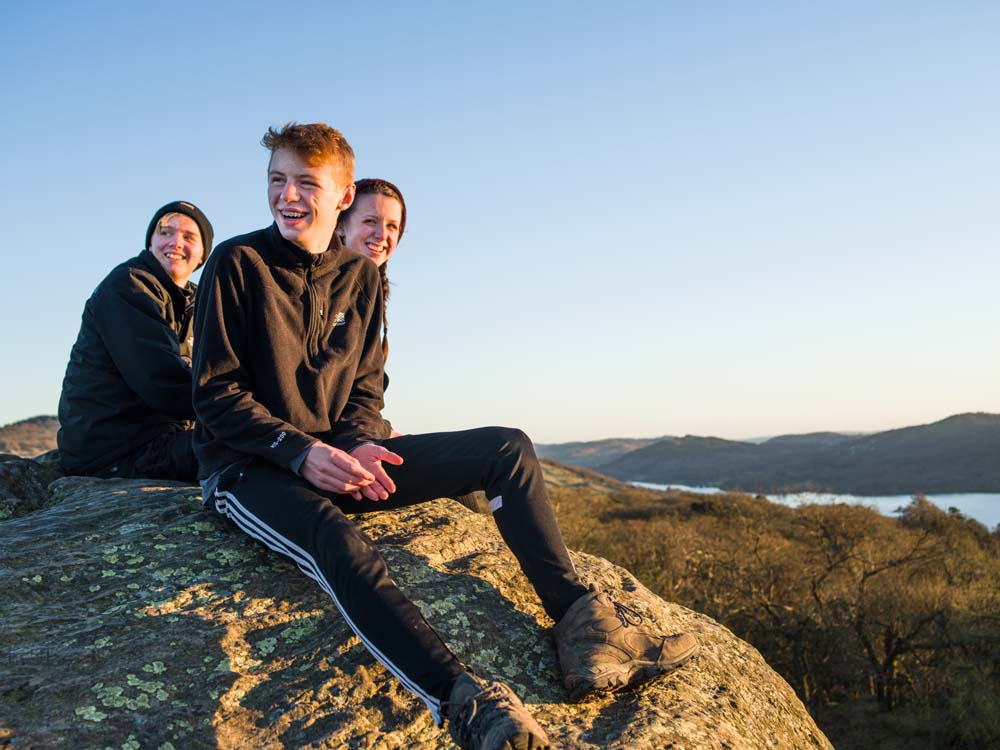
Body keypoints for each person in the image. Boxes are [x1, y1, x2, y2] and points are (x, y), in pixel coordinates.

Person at [192, 123, 698, 750]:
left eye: (305, 183)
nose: (287, 196)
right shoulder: (236, 263)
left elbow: (364, 391)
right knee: (337, 538)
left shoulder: (362, 277)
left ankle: (585, 625)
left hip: (336, 459)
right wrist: (299, 452)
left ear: (343, 195)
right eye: (277, 180)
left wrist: (356, 442)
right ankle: (468, 706)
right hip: (249, 467)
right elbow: (215, 394)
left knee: (505, 447)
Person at [337, 179, 491, 515]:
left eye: (392, 226)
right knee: (474, 463)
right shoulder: (327, 291)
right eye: (370, 221)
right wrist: (374, 434)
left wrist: (382, 430)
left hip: (362, 429)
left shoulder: (369, 291)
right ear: (340, 225)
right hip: (337, 442)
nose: (382, 234)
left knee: (464, 481)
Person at [57, 201, 214, 481]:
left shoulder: (198, 301)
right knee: (247, 445)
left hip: (160, 439)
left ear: (203, 255)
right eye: (166, 232)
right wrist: (235, 409)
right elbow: (164, 383)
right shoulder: (129, 287)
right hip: (115, 453)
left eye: (189, 237)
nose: (176, 242)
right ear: (150, 243)